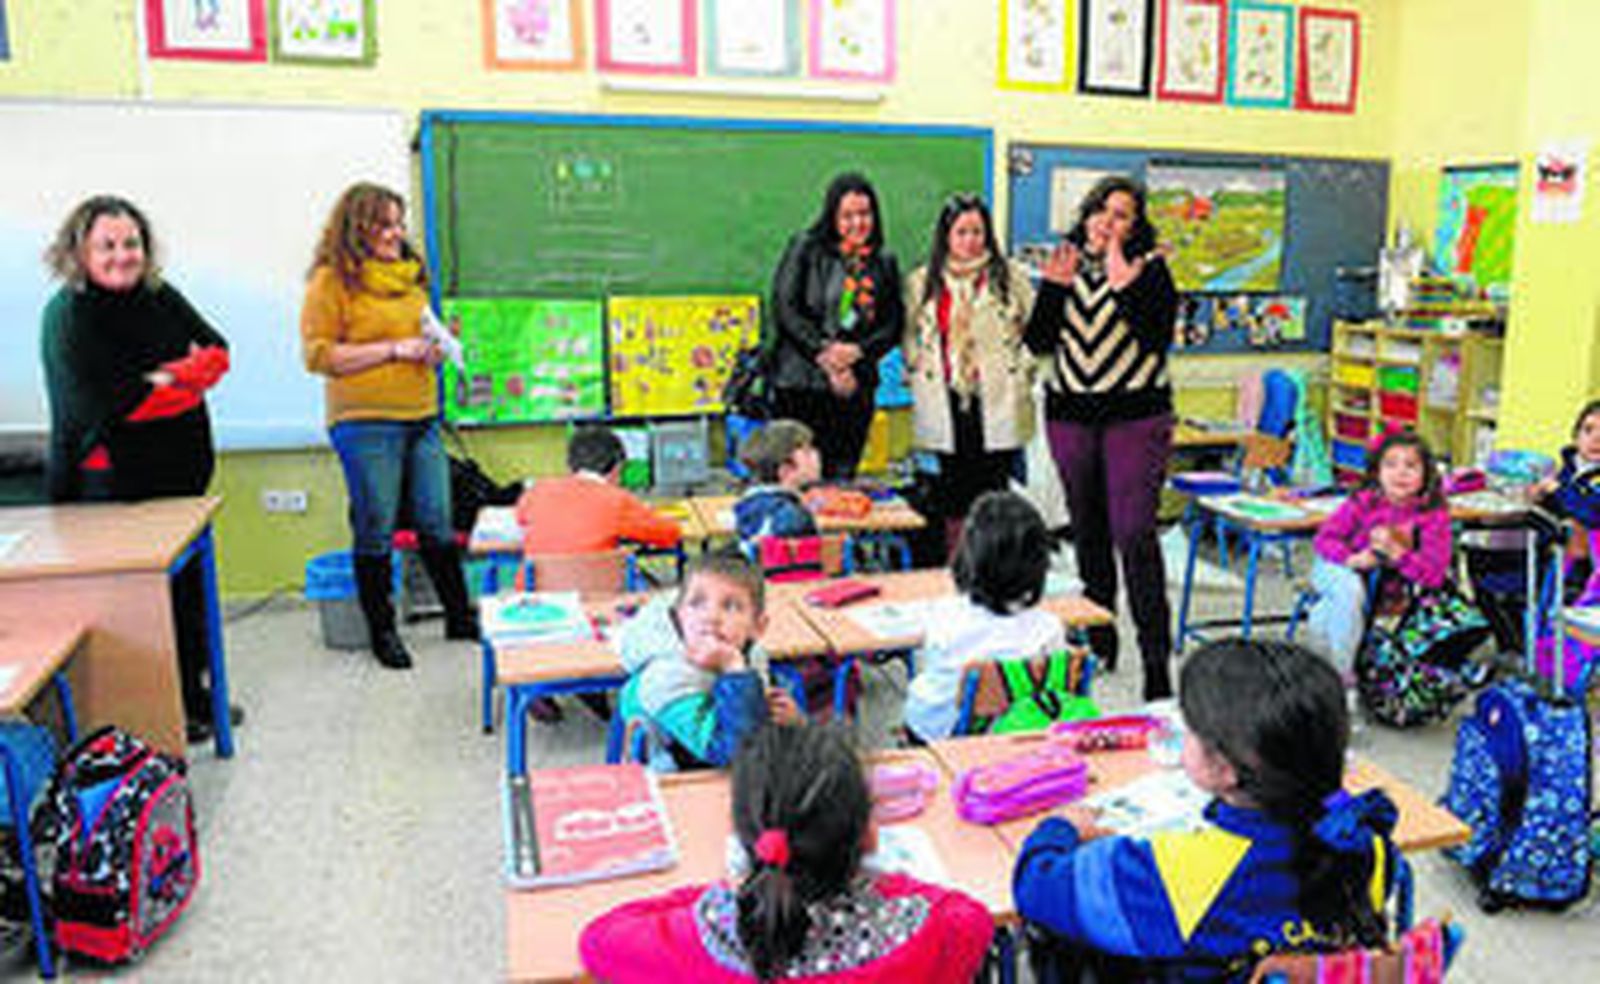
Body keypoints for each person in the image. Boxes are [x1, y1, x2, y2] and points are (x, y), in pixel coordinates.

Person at [1013, 638, 1398, 979]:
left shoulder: (1180, 873)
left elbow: (1034, 885)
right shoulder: (1366, 843)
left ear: (1226, 769)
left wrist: (1060, 826)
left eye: (1190, 728)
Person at [40, 194, 236, 743]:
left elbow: (218, 350)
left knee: (189, 599)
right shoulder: (68, 314)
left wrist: (168, 379)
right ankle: (151, 719)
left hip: (182, 476)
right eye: (107, 245)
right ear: (79, 251)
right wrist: (185, 381)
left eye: (132, 243)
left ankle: (198, 702)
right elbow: (108, 405)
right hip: (114, 488)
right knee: (137, 614)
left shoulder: (159, 294)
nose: (123, 255)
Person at [581, 723, 994, 982]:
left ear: (747, 838)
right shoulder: (927, 928)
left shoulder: (704, 935)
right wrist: (885, 885)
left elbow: (597, 941)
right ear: (868, 836)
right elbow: (972, 918)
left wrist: (716, 893)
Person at [300, 182, 477, 671]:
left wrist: (435, 350)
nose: (395, 233)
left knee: (437, 519)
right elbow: (318, 355)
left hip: (421, 415)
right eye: (383, 224)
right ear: (356, 228)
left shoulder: (411, 278)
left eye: (399, 222)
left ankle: (459, 617)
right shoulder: (331, 281)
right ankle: (383, 631)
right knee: (376, 526)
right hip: (363, 422)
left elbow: (421, 334)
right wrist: (394, 349)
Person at [1022, 175, 1178, 701]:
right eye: (1101, 211)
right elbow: (1039, 343)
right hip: (1071, 415)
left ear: (1135, 226)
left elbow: (1156, 341)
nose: (1107, 222)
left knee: (1134, 532)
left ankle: (1156, 662)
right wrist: (1053, 289)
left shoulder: (1150, 269)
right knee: (1087, 528)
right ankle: (1100, 630)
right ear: (1087, 214)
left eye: (1122, 215)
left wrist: (1125, 286)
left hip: (1136, 417)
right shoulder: (1066, 264)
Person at [903, 194, 1038, 553]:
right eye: (961, 232)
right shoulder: (922, 280)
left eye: (977, 231)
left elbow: (1037, 329)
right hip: (945, 400)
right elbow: (908, 333)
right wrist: (915, 364)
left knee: (993, 492)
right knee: (950, 495)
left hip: (995, 398)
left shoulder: (1009, 276)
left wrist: (1022, 368)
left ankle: (993, 564)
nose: (970, 241)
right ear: (946, 236)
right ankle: (956, 569)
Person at [768, 173, 905, 480]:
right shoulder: (805, 248)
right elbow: (785, 309)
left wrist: (857, 353)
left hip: (854, 391)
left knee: (840, 481)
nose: (858, 223)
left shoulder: (884, 262)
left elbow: (892, 324)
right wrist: (826, 354)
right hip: (801, 386)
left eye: (865, 214)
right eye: (848, 215)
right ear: (832, 216)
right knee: (796, 480)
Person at [904, 491, 1065, 742]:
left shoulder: (945, 616)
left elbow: (931, 668)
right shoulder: (1050, 628)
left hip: (941, 734)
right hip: (1021, 734)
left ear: (969, 555)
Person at [618, 550, 801, 770]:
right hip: (674, 784)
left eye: (731, 606)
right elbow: (735, 754)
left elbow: (754, 732)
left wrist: (793, 724)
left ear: (758, 626)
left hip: (725, 774)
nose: (711, 617)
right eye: (697, 603)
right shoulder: (666, 679)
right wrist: (734, 670)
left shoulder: (751, 654)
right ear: (679, 616)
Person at [1307, 430, 1451, 676]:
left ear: (1426, 474)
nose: (1400, 473)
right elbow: (1324, 540)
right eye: (1391, 465)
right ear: (1378, 472)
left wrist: (1399, 556)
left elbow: (1434, 575)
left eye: (1411, 466)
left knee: (1324, 614)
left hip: (1381, 588)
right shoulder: (1363, 502)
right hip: (1335, 567)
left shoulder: (1431, 516)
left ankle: (1322, 674)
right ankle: (1343, 678)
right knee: (1349, 590)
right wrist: (1352, 559)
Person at [515, 424, 682, 555]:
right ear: (617, 467)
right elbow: (669, 534)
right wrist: (647, 513)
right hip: (602, 595)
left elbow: (520, 520)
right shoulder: (617, 500)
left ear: (569, 464)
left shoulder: (537, 491)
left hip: (537, 593)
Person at [733, 419, 822, 561]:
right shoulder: (792, 516)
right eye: (807, 452)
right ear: (785, 470)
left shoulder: (749, 503)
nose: (816, 455)